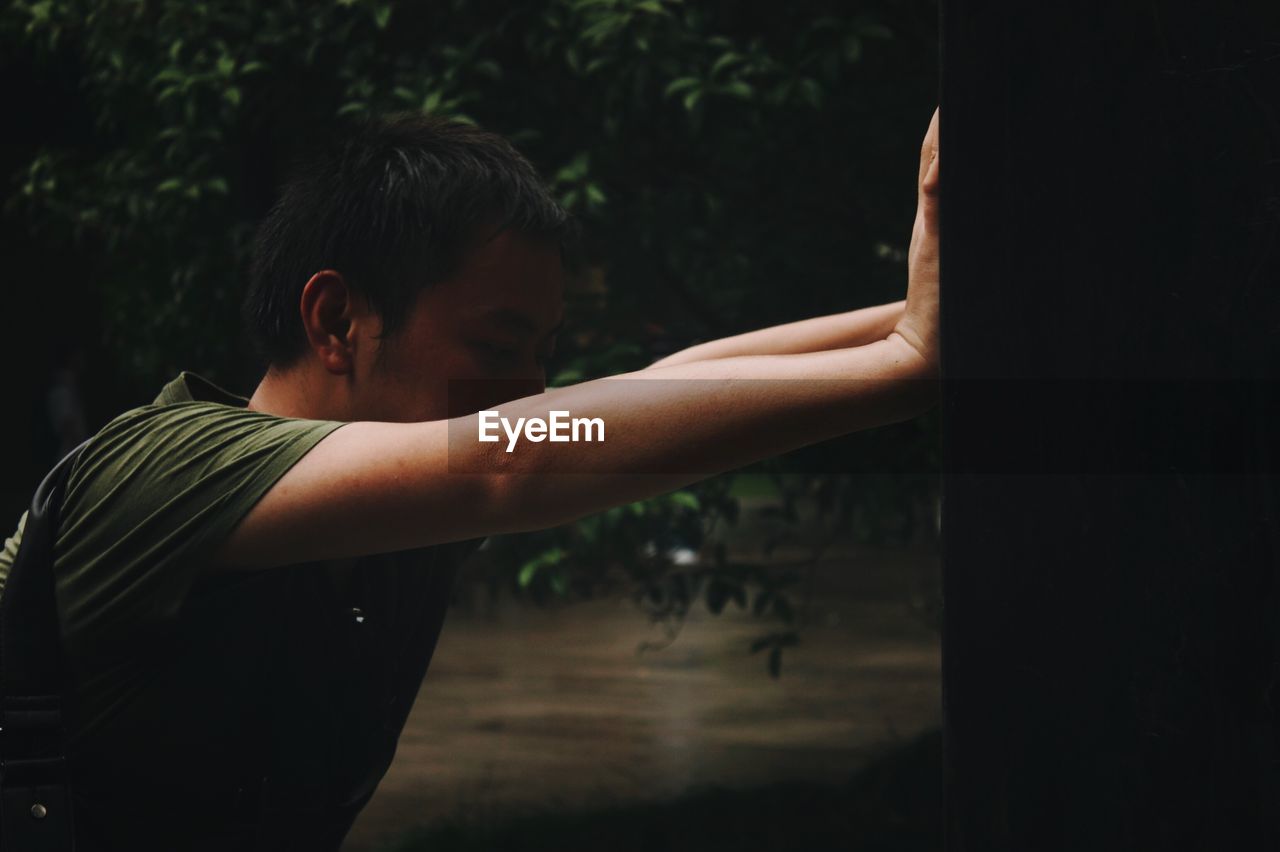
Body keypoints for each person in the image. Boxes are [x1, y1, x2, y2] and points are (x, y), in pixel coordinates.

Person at [0, 107, 939, 850]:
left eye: (537, 357)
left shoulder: (395, 511)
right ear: (335, 321)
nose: (526, 393)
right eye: (497, 347)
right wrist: (904, 365)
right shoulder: (160, 471)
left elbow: (660, 387)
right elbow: (512, 456)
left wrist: (926, 313)